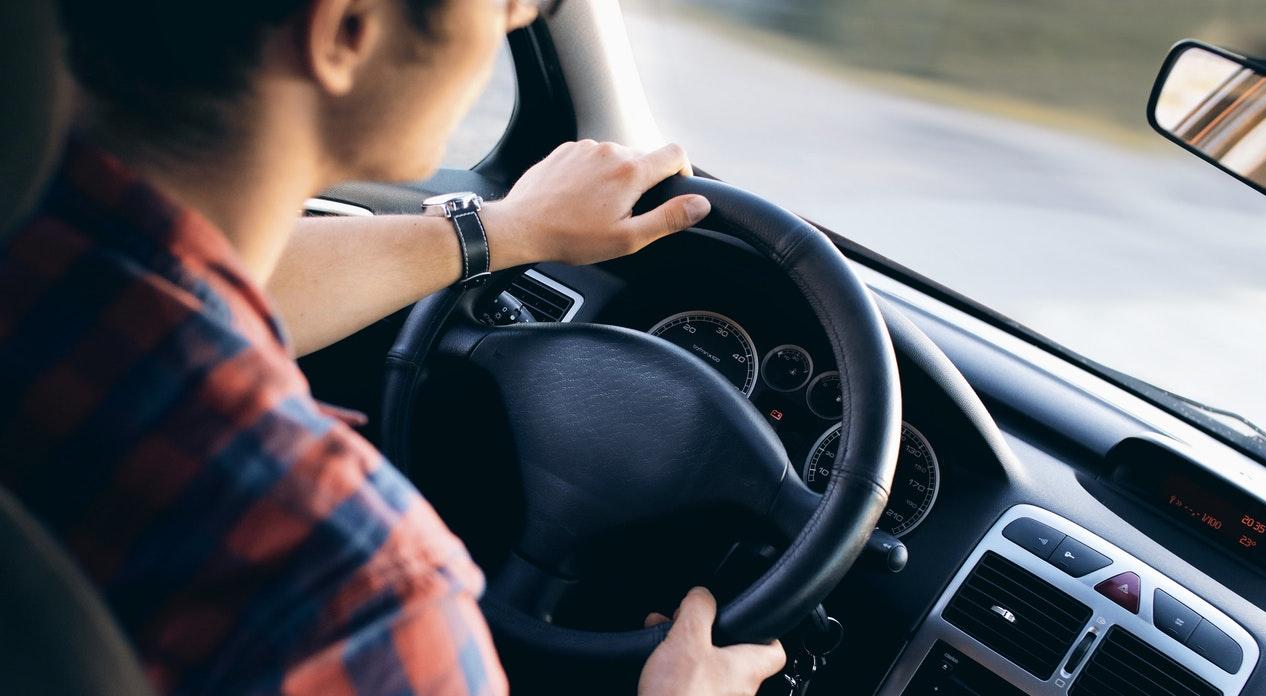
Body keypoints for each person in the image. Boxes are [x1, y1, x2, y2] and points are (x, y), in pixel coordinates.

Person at [0, 0, 786, 694]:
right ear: (347, 29)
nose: (517, 15)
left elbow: (195, 283)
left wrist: (507, 230)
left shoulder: (43, 258)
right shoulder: (354, 597)